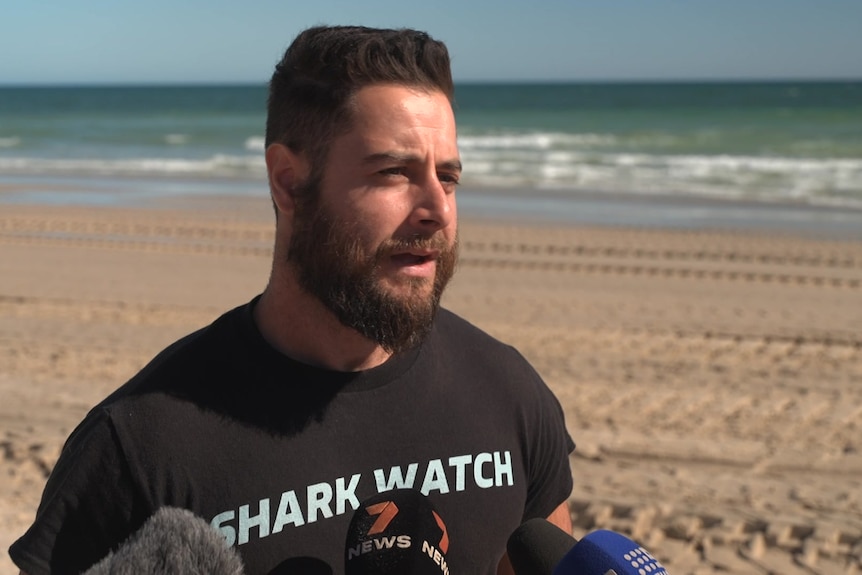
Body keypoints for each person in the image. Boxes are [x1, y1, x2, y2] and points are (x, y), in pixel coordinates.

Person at [10, 25, 574, 575]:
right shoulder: (137, 448)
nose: (438, 209)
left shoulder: (510, 395)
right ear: (288, 181)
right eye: (393, 172)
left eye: (448, 178)